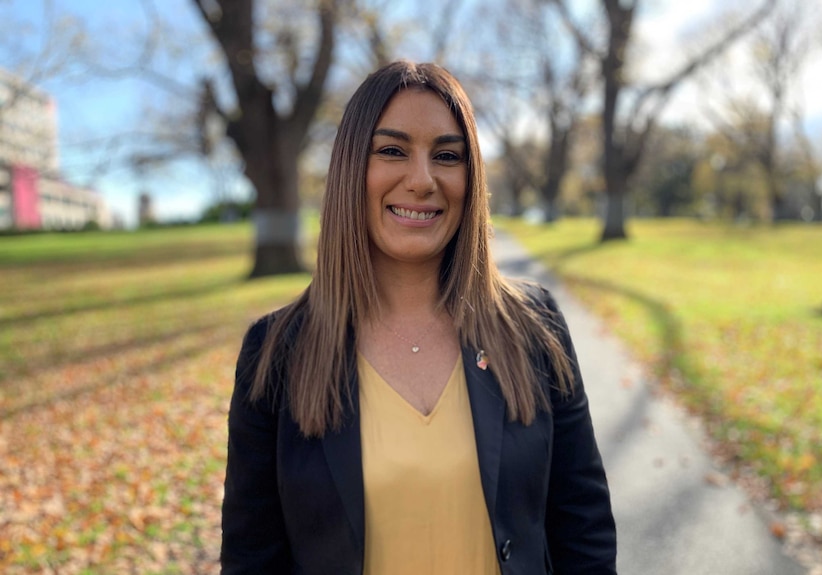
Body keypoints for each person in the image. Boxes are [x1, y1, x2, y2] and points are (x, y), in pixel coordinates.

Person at [221, 60, 616, 575]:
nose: (423, 180)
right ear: (349, 170)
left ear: (470, 177)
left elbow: (583, 529)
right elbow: (252, 559)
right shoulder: (276, 352)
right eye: (392, 151)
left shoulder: (535, 329)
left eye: (447, 156)